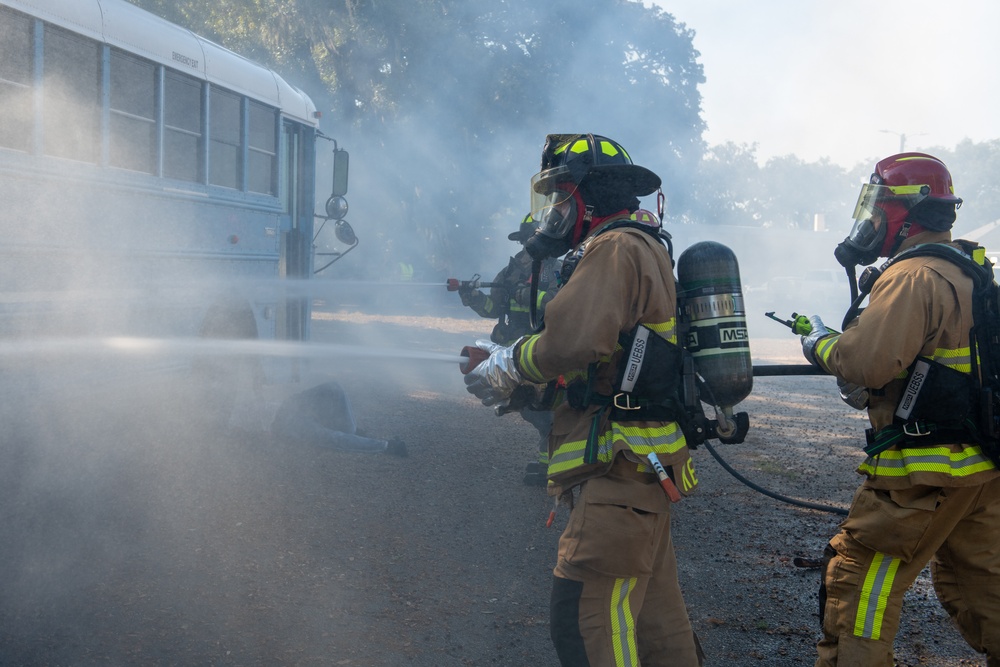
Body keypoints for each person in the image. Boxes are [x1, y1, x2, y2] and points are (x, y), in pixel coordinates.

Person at [464, 134, 703, 666]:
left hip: (620, 473)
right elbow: (604, 365)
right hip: (643, 471)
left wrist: (508, 363)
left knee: (587, 622)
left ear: (588, 198)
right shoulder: (643, 245)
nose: (553, 210)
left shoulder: (614, 247)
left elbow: (574, 341)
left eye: (560, 194)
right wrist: (518, 377)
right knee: (656, 632)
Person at [800, 152, 1000, 666]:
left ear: (902, 214)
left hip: (921, 475)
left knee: (859, 589)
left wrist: (820, 342)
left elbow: (866, 363)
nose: (868, 221)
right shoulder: (970, 272)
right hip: (978, 469)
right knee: (985, 594)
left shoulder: (913, 276)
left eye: (875, 206)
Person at [457, 214, 562, 486]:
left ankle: (550, 467)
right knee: (535, 411)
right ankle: (549, 465)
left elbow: (558, 304)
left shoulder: (557, 269)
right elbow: (492, 309)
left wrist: (526, 295)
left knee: (547, 412)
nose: (528, 246)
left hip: (538, 350)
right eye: (525, 240)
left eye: (533, 239)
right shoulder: (511, 270)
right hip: (510, 354)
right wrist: (472, 297)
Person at [271, 381, 407, 456]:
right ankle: (382, 445)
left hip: (287, 408)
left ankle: (352, 434)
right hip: (283, 419)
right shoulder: (290, 423)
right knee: (331, 437)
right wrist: (385, 446)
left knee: (333, 388)